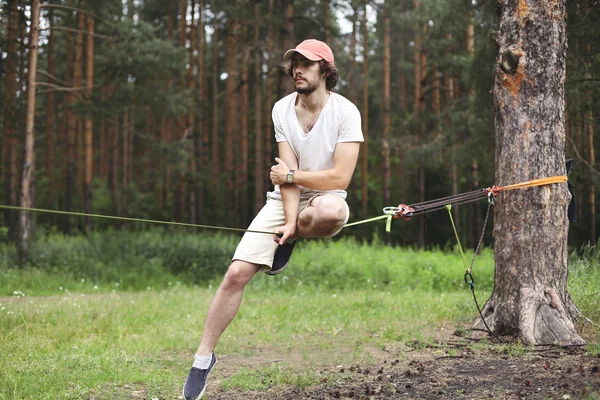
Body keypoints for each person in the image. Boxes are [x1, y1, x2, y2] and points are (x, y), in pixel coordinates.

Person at [183, 39, 364, 400]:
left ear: (325, 70)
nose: (298, 68)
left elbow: (339, 178)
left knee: (331, 212)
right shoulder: (282, 109)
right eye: (294, 63)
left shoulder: (346, 112)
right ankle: (203, 360)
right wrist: (289, 214)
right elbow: (287, 171)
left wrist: (293, 184)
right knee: (235, 274)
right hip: (285, 197)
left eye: (307, 63)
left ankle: (293, 235)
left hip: (324, 194)